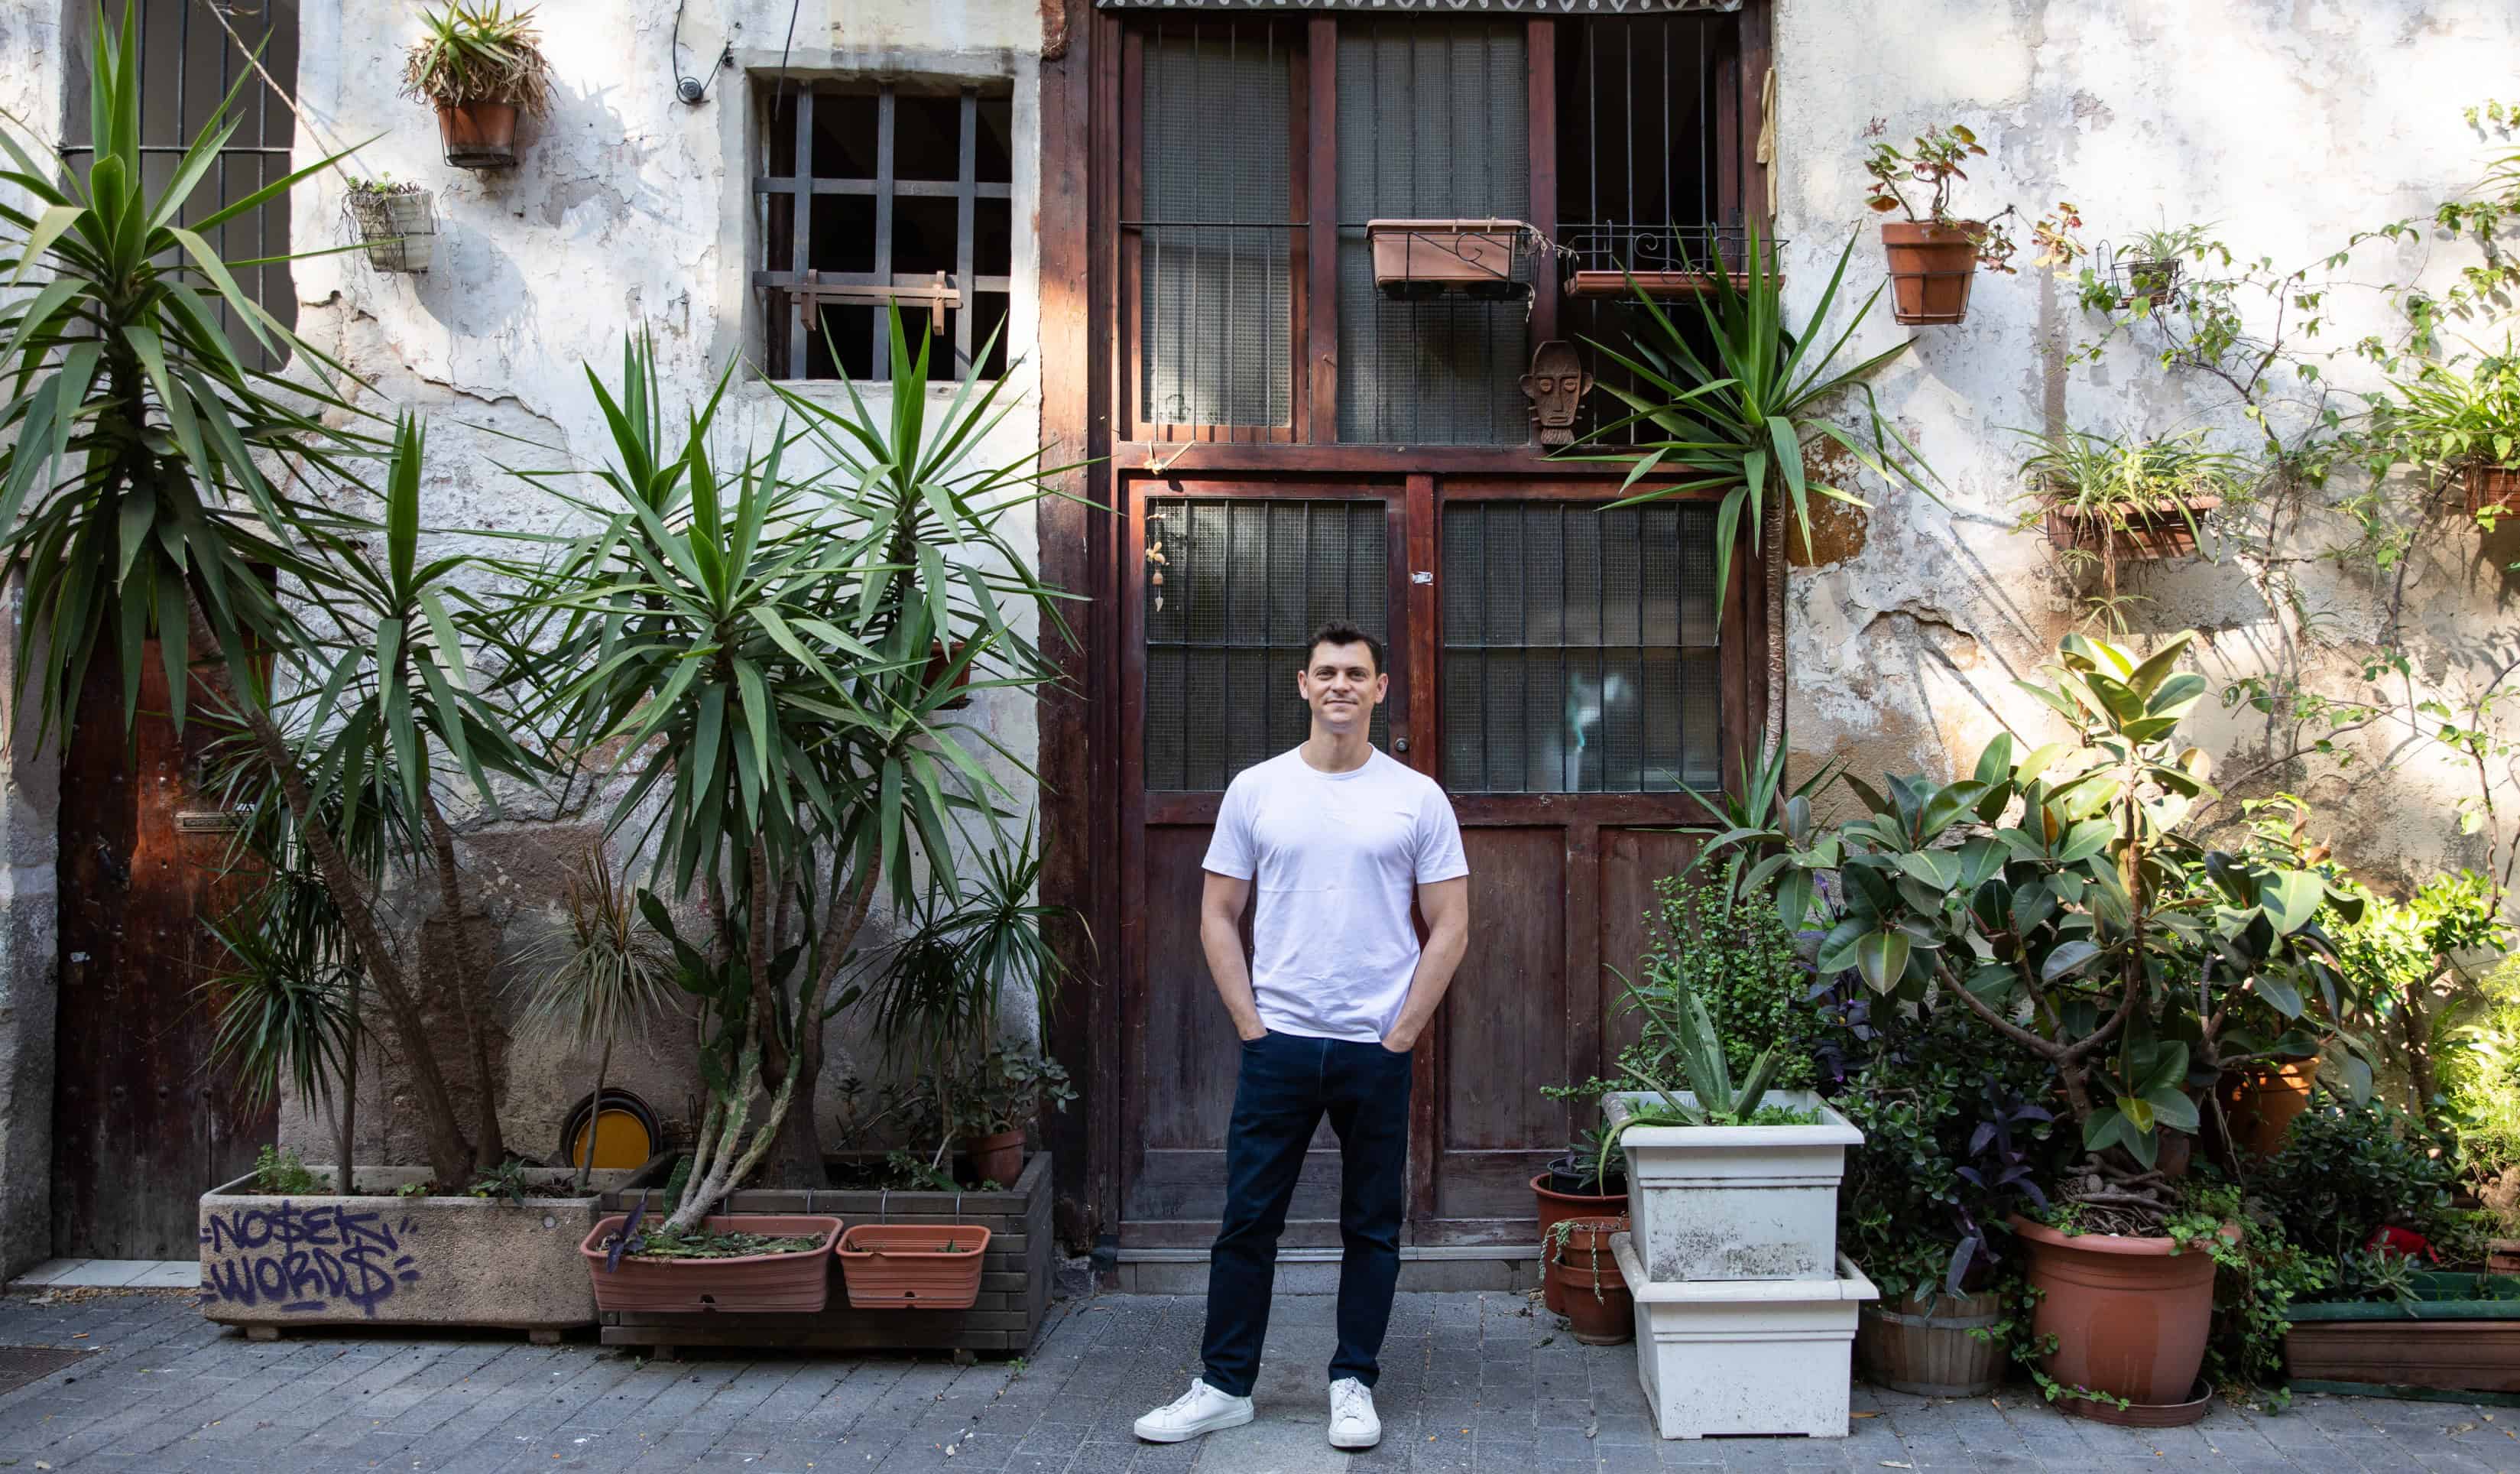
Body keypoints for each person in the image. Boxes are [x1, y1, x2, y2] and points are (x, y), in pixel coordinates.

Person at [1134, 620, 1471, 1453]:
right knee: (1248, 1220)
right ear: (1302, 683)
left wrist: (1402, 1034)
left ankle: (1353, 1381)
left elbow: (1452, 923)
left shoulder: (1416, 796)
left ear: (1380, 688)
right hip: (1280, 1040)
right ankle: (1223, 1385)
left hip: (1374, 1047)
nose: (1341, 686)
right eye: (1326, 672)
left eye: (1356, 673)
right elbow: (1217, 912)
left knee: (1371, 1225)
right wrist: (1251, 1022)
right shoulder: (1258, 789)